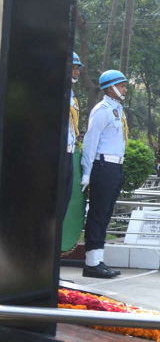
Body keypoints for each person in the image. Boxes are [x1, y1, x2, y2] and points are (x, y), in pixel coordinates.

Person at [80, 69, 130, 278]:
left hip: (115, 166)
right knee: (98, 214)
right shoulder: (102, 110)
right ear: (110, 88)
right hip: (102, 165)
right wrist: (86, 171)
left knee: (106, 214)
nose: (125, 89)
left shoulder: (117, 110)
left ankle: (98, 260)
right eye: (122, 86)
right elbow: (90, 142)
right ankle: (91, 263)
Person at [63, 52, 82, 224]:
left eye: (77, 68)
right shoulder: (56, 92)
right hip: (58, 153)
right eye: (74, 68)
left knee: (64, 201)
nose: (77, 72)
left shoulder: (70, 94)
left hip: (69, 153)